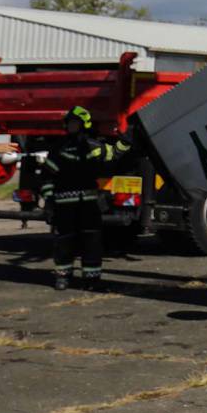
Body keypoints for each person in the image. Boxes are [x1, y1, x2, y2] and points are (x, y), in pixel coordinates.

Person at [43, 104, 134, 288]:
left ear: (84, 125)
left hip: (89, 204)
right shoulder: (59, 149)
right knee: (64, 242)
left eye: (74, 123)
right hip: (64, 204)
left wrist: (126, 140)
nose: (70, 126)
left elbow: (114, 153)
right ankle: (63, 276)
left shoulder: (94, 147)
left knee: (91, 241)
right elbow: (47, 176)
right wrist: (49, 201)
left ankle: (91, 278)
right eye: (69, 123)